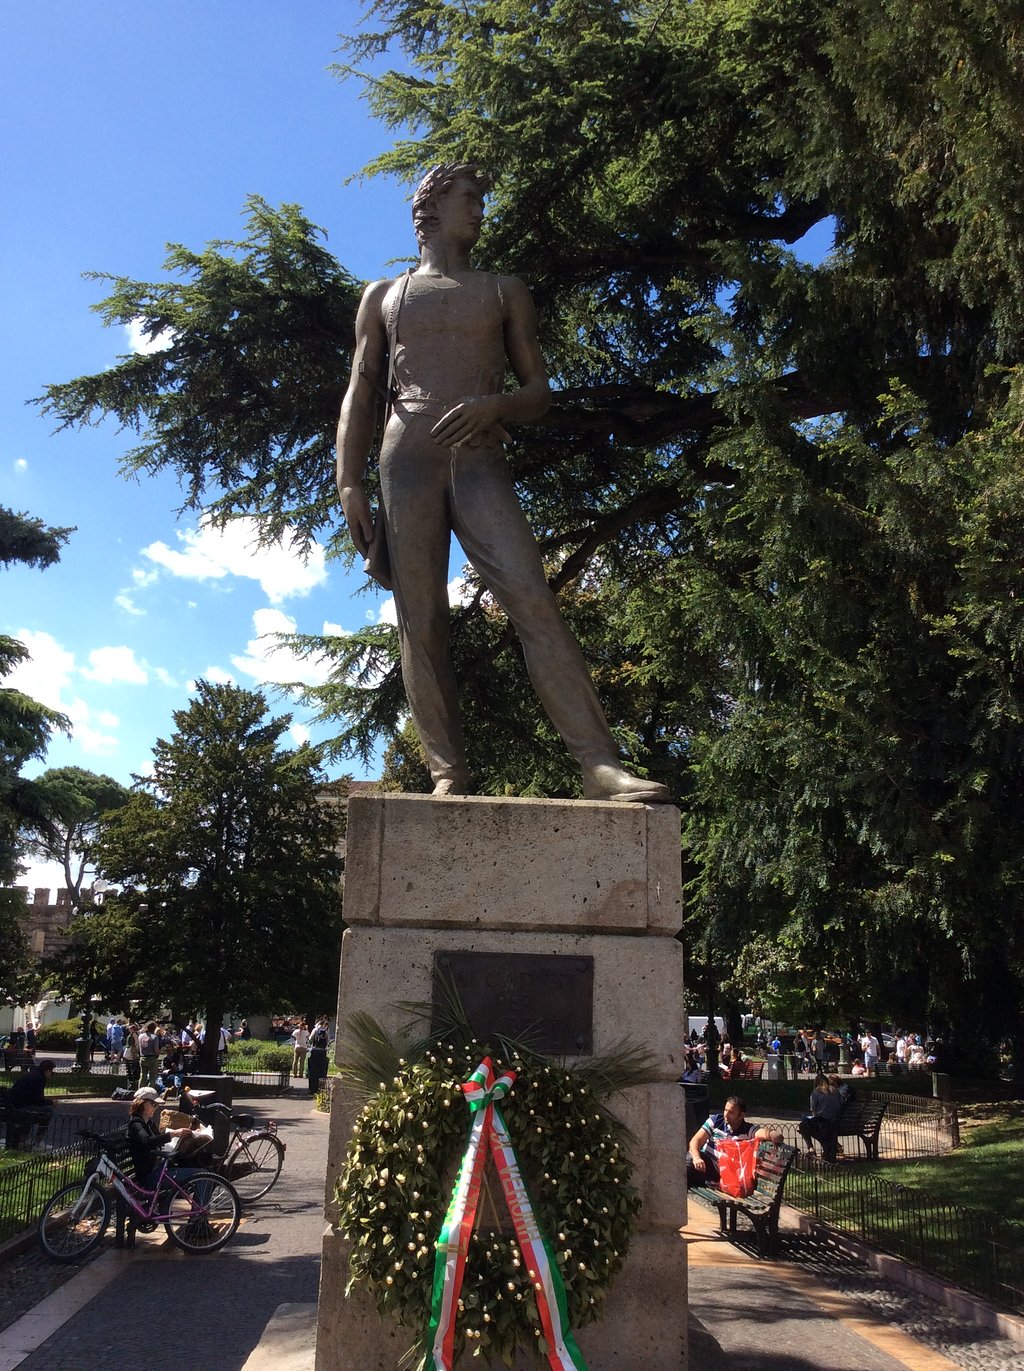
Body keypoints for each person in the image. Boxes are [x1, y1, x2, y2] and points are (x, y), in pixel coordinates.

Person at [336, 162, 671, 805]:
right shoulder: (385, 295)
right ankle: (447, 772)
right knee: (421, 617)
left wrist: (496, 408)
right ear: (430, 208)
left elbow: (539, 391)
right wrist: (348, 481)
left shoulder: (503, 290)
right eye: (469, 199)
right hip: (405, 455)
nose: (480, 211)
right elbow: (361, 389)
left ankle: (599, 765)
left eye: (482, 201)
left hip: (481, 455)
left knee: (532, 600)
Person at [687, 1095, 783, 1186]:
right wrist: (696, 1158)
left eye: (731, 1112)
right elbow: (695, 1140)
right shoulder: (716, 1121)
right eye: (725, 1110)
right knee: (687, 1163)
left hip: (725, 1174)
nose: (726, 1114)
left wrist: (771, 1134)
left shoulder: (747, 1130)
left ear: (741, 1115)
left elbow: (761, 1132)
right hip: (707, 1164)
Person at [126, 1087, 199, 1190]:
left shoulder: (149, 1123)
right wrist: (173, 1134)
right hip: (151, 1176)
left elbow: (159, 1140)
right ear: (142, 1104)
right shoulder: (136, 1124)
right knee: (201, 1176)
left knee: (200, 1168)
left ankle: (199, 1205)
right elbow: (147, 1141)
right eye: (154, 1105)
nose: (156, 1108)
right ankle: (200, 1206)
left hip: (159, 1168)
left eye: (157, 1105)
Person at [5, 1058, 55, 1148]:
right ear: (48, 1071)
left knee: (33, 1112)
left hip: (13, 1105)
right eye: (52, 1072)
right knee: (47, 1111)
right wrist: (51, 1102)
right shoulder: (40, 1079)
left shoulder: (32, 1075)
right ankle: (38, 1141)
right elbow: (38, 1100)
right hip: (21, 1109)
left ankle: (23, 1139)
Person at [798, 1072, 845, 1162]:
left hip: (823, 1123)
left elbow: (813, 1109)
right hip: (835, 1121)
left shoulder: (816, 1092)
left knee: (803, 1124)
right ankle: (831, 1148)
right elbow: (840, 1105)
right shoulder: (835, 1091)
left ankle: (811, 1148)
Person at [307, 1016, 331, 1096]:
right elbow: (328, 1041)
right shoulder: (325, 1031)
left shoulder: (315, 1030)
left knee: (313, 1071)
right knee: (321, 1071)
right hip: (323, 1052)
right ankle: (320, 1088)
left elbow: (310, 1039)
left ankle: (312, 1088)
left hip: (315, 1051)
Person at [138, 1021, 161, 1087]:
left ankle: (140, 1091)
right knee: (152, 1076)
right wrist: (159, 1053)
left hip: (142, 1057)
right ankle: (150, 1092)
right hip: (152, 1058)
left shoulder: (140, 1036)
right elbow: (156, 1049)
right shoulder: (154, 1037)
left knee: (143, 1076)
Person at [122, 1022, 141, 1090]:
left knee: (131, 1068)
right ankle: (131, 1083)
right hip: (129, 1050)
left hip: (130, 1051)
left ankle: (132, 1084)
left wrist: (134, 1053)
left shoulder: (134, 1035)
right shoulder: (135, 1034)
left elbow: (134, 1045)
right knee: (129, 1068)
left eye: (130, 1028)